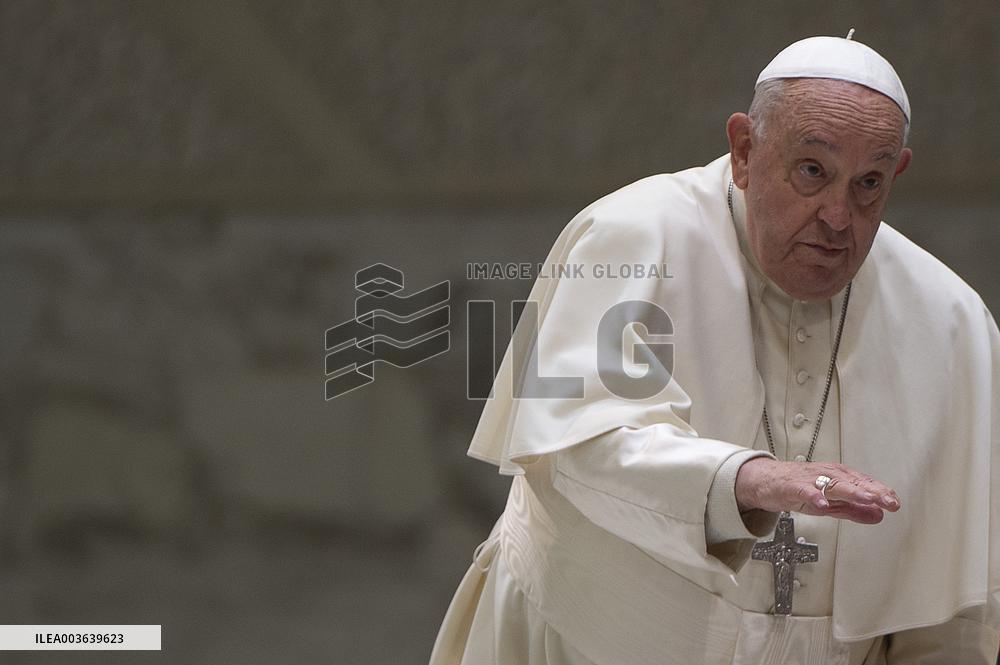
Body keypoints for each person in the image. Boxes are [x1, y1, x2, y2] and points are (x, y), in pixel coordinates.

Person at [430, 34, 1000, 664]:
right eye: (812, 171)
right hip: (587, 641)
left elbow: (957, 600)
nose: (838, 217)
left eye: (869, 183)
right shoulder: (625, 236)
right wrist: (752, 481)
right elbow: (574, 450)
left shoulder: (951, 319)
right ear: (745, 150)